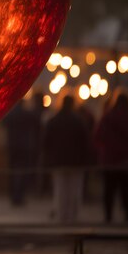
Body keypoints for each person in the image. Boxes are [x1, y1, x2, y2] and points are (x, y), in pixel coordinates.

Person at [43, 95, 91, 223]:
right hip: (76, 161)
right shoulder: (79, 121)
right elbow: (85, 142)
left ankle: (61, 215)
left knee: (60, 190)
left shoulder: (53, 121)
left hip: (58, 161)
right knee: (74, 190)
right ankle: (72, 216)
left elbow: (46, 142)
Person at [94, 92, 128, 222]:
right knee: (126, 189)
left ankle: (108, 215)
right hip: (125, 161)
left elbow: (98, 136)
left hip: (109, 160)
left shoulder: (107, 117)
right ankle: (127, 213)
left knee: (109, 189)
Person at [3, 99, 39, 206]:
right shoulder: (27, 114)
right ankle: (19, 196)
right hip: (24, 147)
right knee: (23, 172)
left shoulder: (11, 114)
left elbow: (3, 124)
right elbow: (37, 122)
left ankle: (13, 195)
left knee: (13, 171)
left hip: (12, 146)